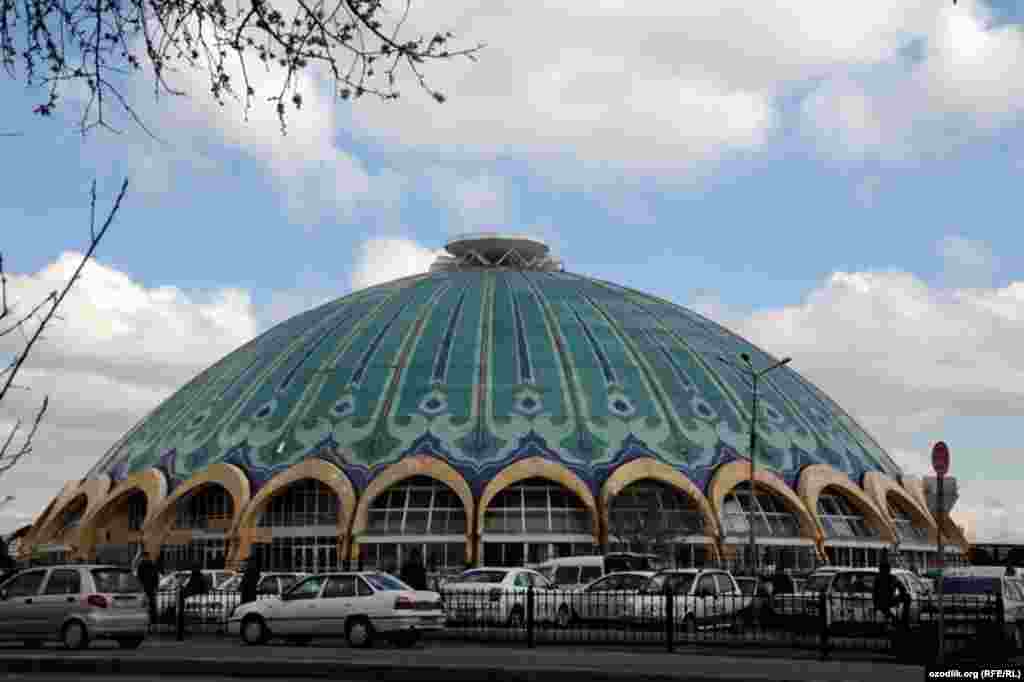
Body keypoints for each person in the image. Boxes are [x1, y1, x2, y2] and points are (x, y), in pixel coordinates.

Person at [136, 552, 160, 623]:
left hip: (148, 587)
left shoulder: (145, 565)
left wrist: (156, 586)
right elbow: (139, 577)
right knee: (149, 604)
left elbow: (155, 577)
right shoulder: (145, 565)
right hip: (147, 587)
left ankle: (152, 619)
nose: (145, 558)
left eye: (145, 557)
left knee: (150, 604)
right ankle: (150, 619)